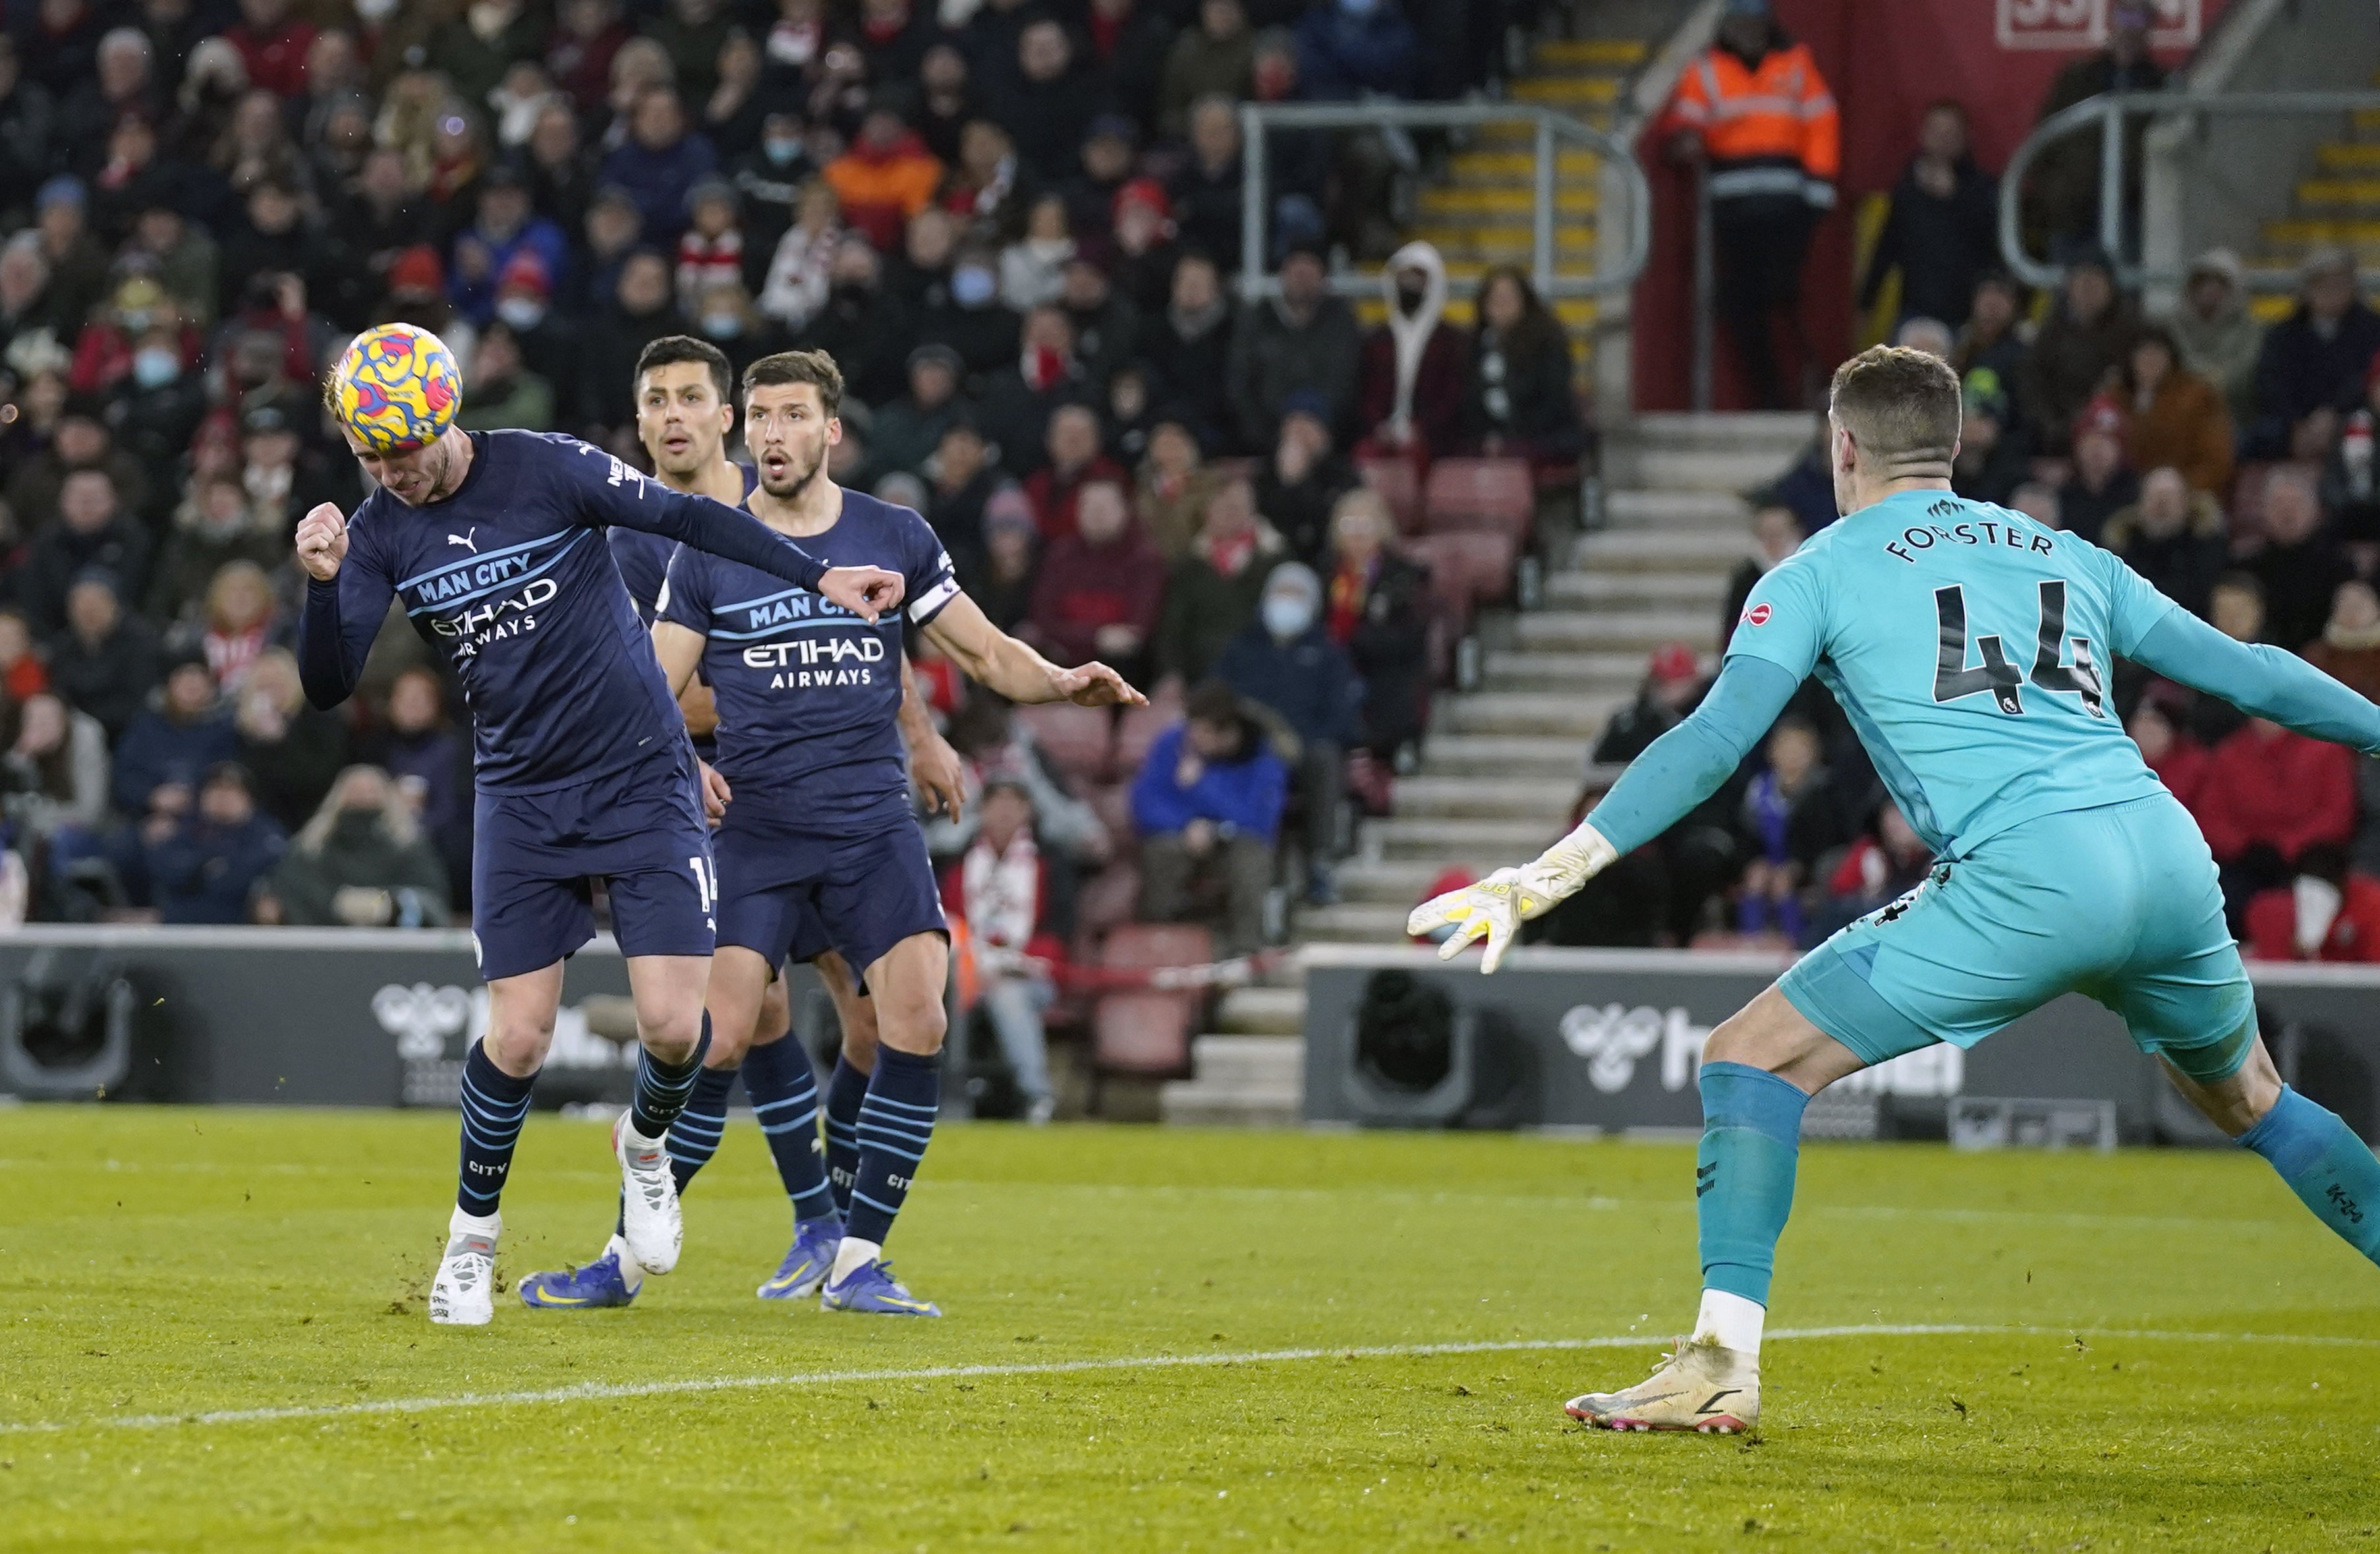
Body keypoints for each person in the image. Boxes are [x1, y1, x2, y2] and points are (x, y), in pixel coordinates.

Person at [1412, 345, 2380, 1433]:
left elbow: (1715, 740)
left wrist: (1546, 873)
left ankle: (1722, 1360)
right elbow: (2252, 671)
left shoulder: (1817, 570)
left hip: (2027, 875)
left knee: (1748, 1056)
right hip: (2160, 849)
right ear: (1952, 445)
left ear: (1841, 447)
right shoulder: (2062, 549)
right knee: (2248, 1096)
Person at [295, 325, 907, 1327]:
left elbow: (689, 519)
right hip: (523, 796)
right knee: (521, 1036)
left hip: (640, 778)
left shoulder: (545, 467)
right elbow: (327, 684)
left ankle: (647, 1146)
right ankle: (470, 1241)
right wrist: (322, 586)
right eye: (371, 458)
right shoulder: (377, 533)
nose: (390, 474)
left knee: (678, 1028)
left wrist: (818, 575)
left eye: (402, 453)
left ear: (443, 420)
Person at [528, 349, 1141, 1319]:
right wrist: (681, 762)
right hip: (759, 831)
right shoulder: (709, 548)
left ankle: (856, 1258)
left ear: (830, 431)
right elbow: (649, 683)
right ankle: (621, 1258)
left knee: (916, 1018)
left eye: (791, 416)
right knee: (712, 1034)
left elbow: (982, 649)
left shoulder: (893, 535)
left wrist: (1060, 680)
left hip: (870, 826)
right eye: (762, 417)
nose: (773, 433)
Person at [521, 332, 966, 1313]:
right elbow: (640, 687)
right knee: (736, 1023)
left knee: (878, 1019)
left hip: (846, 799)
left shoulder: (788, 506)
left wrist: (919, 729)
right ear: (638, 423)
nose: (675, 416)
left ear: (728, 416)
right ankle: (769, 1227)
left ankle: (843, 1228)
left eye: (694, 398)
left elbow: (858, 638)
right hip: (731, 802)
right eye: (655, 402)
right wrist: (701, 747)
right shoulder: (628, 535)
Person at [1662, 0, 1838, 409]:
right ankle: (1772, 396)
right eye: (1741, 24)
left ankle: (1813, 384)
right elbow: (1685, 120)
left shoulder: (1795, 63)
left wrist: (1819, 187)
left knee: (1786, 298)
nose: (1749, 32)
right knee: (1742, 305)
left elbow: (1821, 123)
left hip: (1787, 205)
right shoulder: (1706, 69)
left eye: (1755, 24)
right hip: (1733, 207)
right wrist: (1684, 139)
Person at [1216, 561, 1358, 904]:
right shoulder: (1241, 649)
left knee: (1325, 760)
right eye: (1282, 593)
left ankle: (1318, 862)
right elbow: (1218, 698)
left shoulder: (1327, 655)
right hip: (1247, 748)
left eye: (1296, 595)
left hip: (1305, 750)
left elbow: (1343, 714)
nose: (1287, 603)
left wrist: (1303, 740)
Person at [939, 778, 1062, 1124]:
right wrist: (973, 962)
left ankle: (1037, 1096)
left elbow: (1059, 931)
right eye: (997, 804)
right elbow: (945, 921)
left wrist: (1006, 965)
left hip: (1030, 976)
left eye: (1014, 805)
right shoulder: (958, 861)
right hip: (963, 971)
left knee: (1007, 995)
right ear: (983, 811)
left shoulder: (1050, 862)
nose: (1005, 813)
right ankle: (928, 1096)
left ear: (1028, 812)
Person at [1132, 680, 1284, 956]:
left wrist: (1202, 788)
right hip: (1184, 837)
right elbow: (1146, 802)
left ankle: (1245, 952)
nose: (1192, 739)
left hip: (1235, 841)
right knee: (1161, 852)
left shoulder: (1263, 758)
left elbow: (1259, 820)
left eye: (1202, 732)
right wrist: (1186, 825)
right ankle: (1158, 942)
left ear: (1226, 733)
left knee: (1252, 860)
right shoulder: (1173, 745)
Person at [1857, 100, 1997, 331]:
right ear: (1923, 135)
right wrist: (1866, 304)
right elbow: (1886, 248)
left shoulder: (1985, 191)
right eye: (1936, 131)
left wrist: (1955, 199)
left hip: (1969, 318)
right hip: (1916, 313)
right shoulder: (1908, 190)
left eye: (1951, 132)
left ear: (1966, 137)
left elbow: (1992, 250)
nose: (1943, 139)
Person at [264, 764, 451, 927]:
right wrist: (337, 904)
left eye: (371, 790)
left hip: (395, 949)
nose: (363, 797)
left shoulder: (408, 845)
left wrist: (385, 904)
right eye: (355, 790)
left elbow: (432, 897)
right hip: (324, 946)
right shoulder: (313, 845)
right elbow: (291, 886)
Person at [1322, 486, 1431, 759]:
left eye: (1365, 524)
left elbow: (1410, 635)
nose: (1357, 533)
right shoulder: (1323, 574)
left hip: (1384, 671)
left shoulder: (1404, 576)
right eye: (1349, 524)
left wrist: (1353, 641)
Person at [1024, 476, 1165, 683]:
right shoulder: (1060, 555)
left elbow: (1136, 630)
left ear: (1125, 510)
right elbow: (1043, 618)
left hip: (1121, 668)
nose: (1097, 515)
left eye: (1105, 507)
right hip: (1060, 658)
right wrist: (1096, 638)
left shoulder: (1145, 560)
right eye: (1089, 506)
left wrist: (1072, 636)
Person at [1226, 241, 1359, 454]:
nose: (1302, 278)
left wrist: (1316, 427)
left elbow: (1345, 383)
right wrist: (1269, 437)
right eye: (1296, 269)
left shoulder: (1341, 323)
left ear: (1323, 278)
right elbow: (1240, 384)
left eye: (1309, 270)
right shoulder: (1256, 321)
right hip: (1262, 442)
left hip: (1327, 439)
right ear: (1283, 274)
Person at [2250, 248, 2380, 461]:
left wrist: (2333, 414)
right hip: (2293, 422)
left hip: (2351, 416)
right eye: (2323, 286)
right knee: (2262, 434)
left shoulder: (2373, 329)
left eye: (2339, 285)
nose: (2331, 292)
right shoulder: (2283, 334)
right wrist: (2297, 423)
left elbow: (2368, 381)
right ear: (2307, 290)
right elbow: (2270, 383)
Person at [1157, 476, 1283, 684]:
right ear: (1207, 509)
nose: (1230, 512)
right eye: (1223, 504)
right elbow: (1172, 628)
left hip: (1262, 671)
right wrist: (1172, 674)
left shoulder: (1276, 558)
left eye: (1238, 505)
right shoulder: (1190, 565)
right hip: (1200, 674)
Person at [1356, 240, 1465, 463]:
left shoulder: (1452, 341)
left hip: (1436, 443)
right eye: (1404, 278)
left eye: (1418, 279)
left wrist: (1423, 430)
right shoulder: (1377, 340)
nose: (1409, 286)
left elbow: (1454, 396)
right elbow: (1363, 391)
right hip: (1380, 437)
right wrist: (1379, 427)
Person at [1459, 266, 1582, 465]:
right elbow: (1469, 402)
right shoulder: (1473, 346)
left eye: (1508, 297)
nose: (1501, 304)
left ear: (1525, 301)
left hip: (1542, 437)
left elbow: (1553, 401)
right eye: (1495, 298)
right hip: (1488, 439)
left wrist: (1514, 438)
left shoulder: (1548, 342)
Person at [2020, 250, 2133, 457]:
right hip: (2057, 437)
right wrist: (2056, 428)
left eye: (2095, 281)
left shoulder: (2130, 332)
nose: (2087, 288)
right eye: (2081, 281)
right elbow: (2033, 386)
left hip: (2113, 437)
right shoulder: (2051, 332)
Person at [144, 760, 283, 925]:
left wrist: (212, 870)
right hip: (182, 927)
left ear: (249, 798)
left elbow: (244, 876)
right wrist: (205, 865)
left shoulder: (265, 833)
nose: (223, 797)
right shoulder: (186, 828)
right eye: (216, 789)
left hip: (241, 927)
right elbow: (167, 870)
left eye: (232, 790)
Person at [2244, 467, 2352, 653]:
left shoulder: (2340, 567)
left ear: (2315, 511)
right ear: (2264, 512)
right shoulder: (2247, 568)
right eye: (2279, 504)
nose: (2288, 513)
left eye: (2295, 504)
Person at [2119, 323, 2232, 498]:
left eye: (2157, 353)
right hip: (2123, 498)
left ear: (2171, 358)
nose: (2150, 360)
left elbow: (2215, 462)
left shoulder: (2197, 397)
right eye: (2143, 353)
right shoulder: (2114, 398)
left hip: (2188, 498)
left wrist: (2181, 493)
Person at [2101, 467, 2225, 622]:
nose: (2162, 505)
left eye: (2169, 497)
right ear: (2141, 503)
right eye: (2155, 497)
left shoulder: (2206, 547)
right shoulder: (2122, 551)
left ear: (2185, 502)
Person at [2163, 248, 2261, 433]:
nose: (2210, 288)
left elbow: (2245, 369)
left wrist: (2215, 382)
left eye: (2220, 283)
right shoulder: (2171, 325)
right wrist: (2202, 380)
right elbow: (2173, 361)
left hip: (2235, 414)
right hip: (2178, 412)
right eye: (2203, 281)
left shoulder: (2251, 328)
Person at [2243, 844, 2380, 964]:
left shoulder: (2373, 904)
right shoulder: (2269, 912)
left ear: (2343, 882)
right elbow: (2278, 974)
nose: (2316, 900)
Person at [2054, 396, 2138, 546]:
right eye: (2090, 438)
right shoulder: (2061, 496)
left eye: (2107, 440)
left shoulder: (2136, 498)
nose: (2097, 447)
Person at [2303, 579, 2380, 703]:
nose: (2352, 611)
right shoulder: (2317, 655)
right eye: (2345, 604)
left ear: (2376, 609)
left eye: (2359, 605)